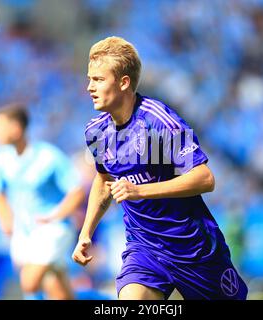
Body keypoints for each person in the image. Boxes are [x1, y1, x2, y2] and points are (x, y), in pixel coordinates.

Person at [72, 36, 248, 300]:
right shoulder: (96, 131)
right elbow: (103, 178)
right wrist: (86, 232)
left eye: (98, 79)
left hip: (192, 246)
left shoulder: (158, 120)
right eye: (89, 79)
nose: (89, 87)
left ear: (123, 82)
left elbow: (204, 177)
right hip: (144, 248)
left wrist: (141, 191)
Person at [0, 104, 85, 300]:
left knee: (29, 281)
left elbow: (77, 192)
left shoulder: (49, 156)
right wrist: (5, 218)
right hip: (24, 230)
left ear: (16, 128)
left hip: (53, 229)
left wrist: (54, 215)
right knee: (55, 287)